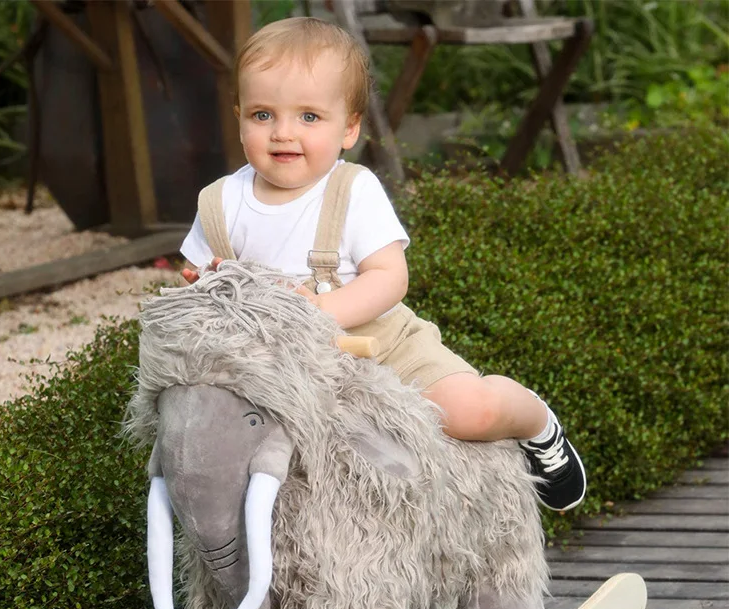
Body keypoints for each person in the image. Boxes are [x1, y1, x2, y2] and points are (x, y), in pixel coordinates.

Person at [180, 17, 586, 511]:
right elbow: (199, 282)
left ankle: (536, 423)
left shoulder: (352, 190)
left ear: (349, 128)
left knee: (466, 412)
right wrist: (202, 290)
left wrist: (319, 312)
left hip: (384, 347)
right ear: (240, 116)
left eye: (309, 117)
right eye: (263, 115)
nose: (283, 133)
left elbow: (390, 277)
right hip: (283, 370)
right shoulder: (221, 202)